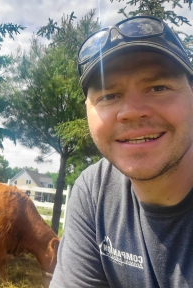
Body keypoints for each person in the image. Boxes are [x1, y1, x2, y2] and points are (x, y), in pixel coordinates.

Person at [50, 16, 193, 288]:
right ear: (88, 112)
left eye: (158, 87)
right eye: (108, 96)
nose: (130, 112)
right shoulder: (94, 192)